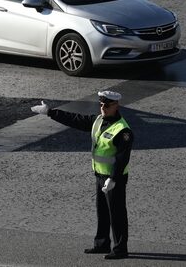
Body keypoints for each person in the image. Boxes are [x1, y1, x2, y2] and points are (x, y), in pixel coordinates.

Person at [31, 91, 133, 260]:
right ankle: (102, 244)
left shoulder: (123, 130)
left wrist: (113, 179)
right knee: (102, 211)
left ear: (116, 106)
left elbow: (122, 158)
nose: (103, 108)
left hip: (114, 178)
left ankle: (121, 249)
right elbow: (76, 119)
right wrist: (50, 112)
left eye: (106, 105)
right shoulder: (98, 120)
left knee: (117, 213)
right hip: (100, 174)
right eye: (101, 104)